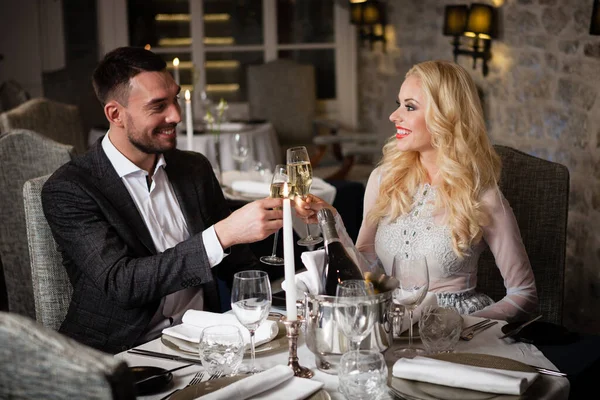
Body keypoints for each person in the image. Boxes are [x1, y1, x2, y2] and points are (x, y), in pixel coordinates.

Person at [42, 47, 282, 353]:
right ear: (115, 114)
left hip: (204, 341)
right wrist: (222, 235)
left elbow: (237, 264)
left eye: (175, 99)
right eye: (158, 106)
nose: (177, 116)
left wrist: (293, 239)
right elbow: (123, 283)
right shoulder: (71, 188)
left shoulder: (193, 168)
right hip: (119, 353)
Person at [297, 60, 537, 321]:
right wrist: (333, 223)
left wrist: (466, 326)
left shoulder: (480, 195)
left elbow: (523, 293)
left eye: (409, 106)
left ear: (446, 116)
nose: (394, 115)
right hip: (392, 321)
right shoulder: (383, 179)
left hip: (452, 330)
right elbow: (366, 272)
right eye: (398, 104)